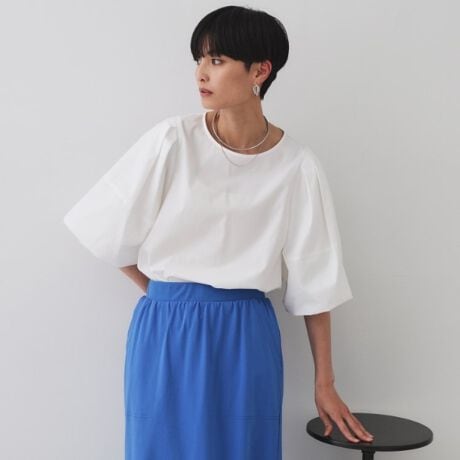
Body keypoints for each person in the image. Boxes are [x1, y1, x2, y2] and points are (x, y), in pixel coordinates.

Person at [63, 5, 374, 459]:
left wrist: (324, 383)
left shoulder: (297, 166)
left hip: (246, 334)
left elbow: (316, 283)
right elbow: (105, 229)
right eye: (199, 60)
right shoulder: (173, 140)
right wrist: (167, 294)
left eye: (217, 60)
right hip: (165, 331)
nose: (201, 74)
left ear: (260, 71)